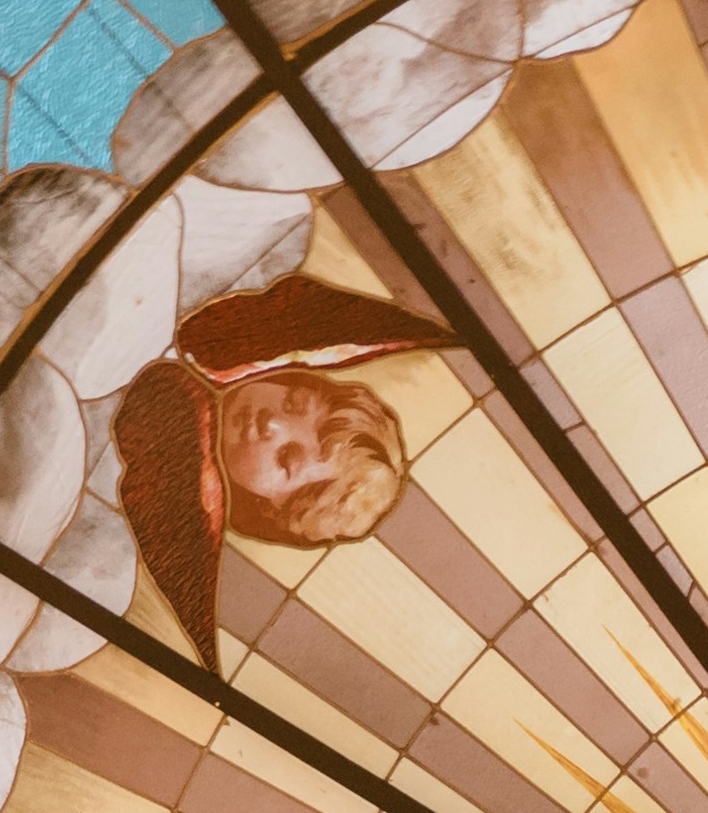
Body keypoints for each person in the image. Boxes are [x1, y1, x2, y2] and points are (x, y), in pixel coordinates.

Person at [114, 276, 466, 664]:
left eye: (286, 459)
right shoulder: (234, 318)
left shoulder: (169, 493)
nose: (273, 424)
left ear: (266, 508)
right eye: (295, 403)